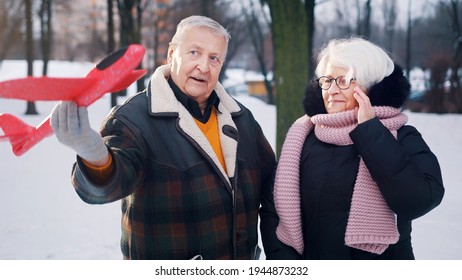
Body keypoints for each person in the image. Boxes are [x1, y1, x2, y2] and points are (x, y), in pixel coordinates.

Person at [51, 15, 276, 260]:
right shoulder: (133, 118)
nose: (203, 66)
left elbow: (274, 189)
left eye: (214, 58)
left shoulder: (242, 120)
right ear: (171, 54)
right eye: (194, 52)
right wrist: (93, 153)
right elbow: (108, 187)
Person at [260, 37, 444, 260]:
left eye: (344, 80)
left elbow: (420, 200)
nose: (332, 90)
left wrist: (371, 131)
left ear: (372, 85)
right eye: (327, 80)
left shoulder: (401, 136)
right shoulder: (303, 135)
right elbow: (273, 211)